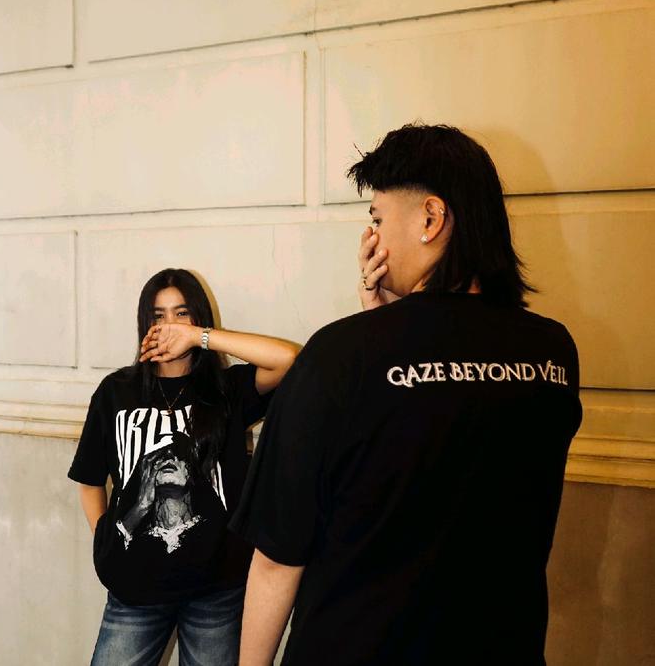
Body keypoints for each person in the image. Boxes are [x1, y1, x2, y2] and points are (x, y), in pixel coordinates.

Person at [229, 124, 582, 665]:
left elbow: (278, 558)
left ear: (430, 219)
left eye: (377, 218)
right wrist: (387, 321)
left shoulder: (340, 355)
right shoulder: (553, 352)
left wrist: (376, 331)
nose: (371, 238)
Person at [68, 267, 300, 666]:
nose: (169, 325)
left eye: (182, 313)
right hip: (134, 586)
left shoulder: (227, 390)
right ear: (145, 323)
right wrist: (106, 538)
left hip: (216, 588)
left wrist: (198, 337)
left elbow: (289, 359)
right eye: (158, 315)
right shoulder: (116, 392)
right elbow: (89, 479)